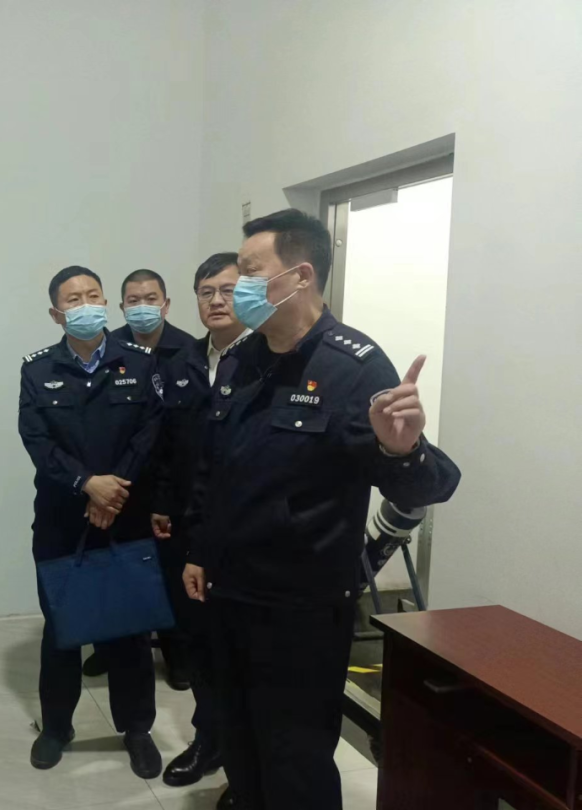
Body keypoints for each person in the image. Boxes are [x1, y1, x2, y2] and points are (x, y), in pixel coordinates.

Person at [182, 210, 461, 810]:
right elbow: (214, 469)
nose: (237, 286)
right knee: (239, 737)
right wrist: (199, 551)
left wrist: (402, 448)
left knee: (296, 758)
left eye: (250, 271)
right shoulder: (242, 358)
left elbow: (431, 484)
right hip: (230, 596)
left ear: (300, 276)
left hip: (301, 610)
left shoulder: (352, 366)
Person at [18, 265, 165, 778]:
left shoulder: (139, 362)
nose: (85, 305)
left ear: (106, 304)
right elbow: (37, 441)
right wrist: (87, 484)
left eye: (93, 295)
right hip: (63, 520)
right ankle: (57, 727)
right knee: (62, 630)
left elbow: (149, 434)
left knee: (130, 629)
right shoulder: (37, 369)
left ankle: (137, 729)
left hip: (124, 517)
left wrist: (112, 490)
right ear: (56, 313)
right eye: (73, 299)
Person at [150, 253, 249, 792]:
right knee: (200, 642)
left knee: (245, 650)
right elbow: (167, 446)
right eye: (206, 291)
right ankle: (209, 738)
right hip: (189, 528)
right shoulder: (182, 361)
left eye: (228, 290)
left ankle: (245, 760)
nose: (216, 301)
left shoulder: (268, 359)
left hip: (247, 532)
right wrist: (163, 504)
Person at [85, 267, 196, 683]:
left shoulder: (188, 350)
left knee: (168, 571)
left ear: (166, 304)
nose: (143, 306)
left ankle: (177, 653)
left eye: (151, 299)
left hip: (170, 481)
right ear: (121, 306)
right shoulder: (108, 347)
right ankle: (109, 649)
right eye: (134, 300)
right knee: (113, 570)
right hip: (120, 480)